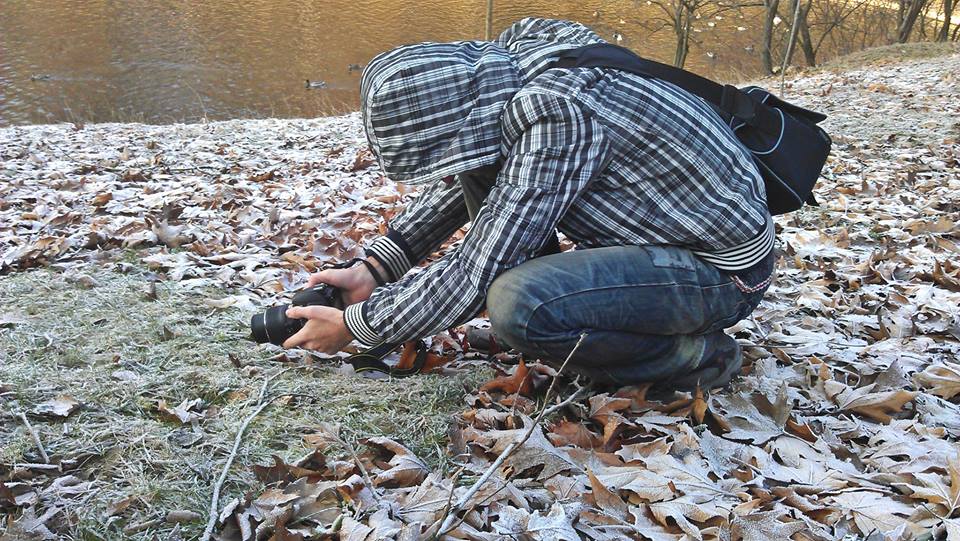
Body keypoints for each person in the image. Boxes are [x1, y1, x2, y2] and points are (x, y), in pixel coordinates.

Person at [281, 18, 775, 390]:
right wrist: (375, 269)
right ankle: (602, 323)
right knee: (513, 268)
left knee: (520, 303)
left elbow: (478, 272)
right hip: (670, 239)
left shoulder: (558, 115)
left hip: (721, 271)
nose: (444, 173)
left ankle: (697, 358)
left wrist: (358, 325)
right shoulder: (513, 62)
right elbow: (474, 172)